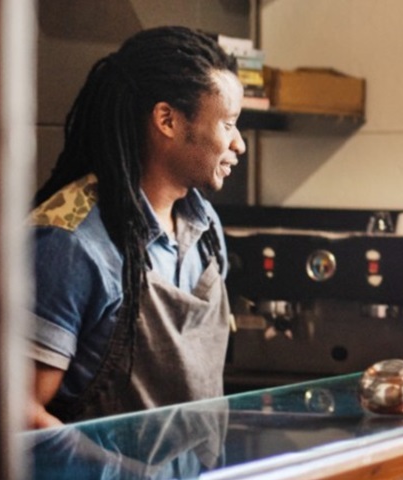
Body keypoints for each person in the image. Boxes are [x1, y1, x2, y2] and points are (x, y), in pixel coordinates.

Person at [28, 26, 245, 428]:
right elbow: (20, 411)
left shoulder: (206, 229)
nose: (239, 145)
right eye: (228, 124)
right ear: (167, 120)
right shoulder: (71, 242)